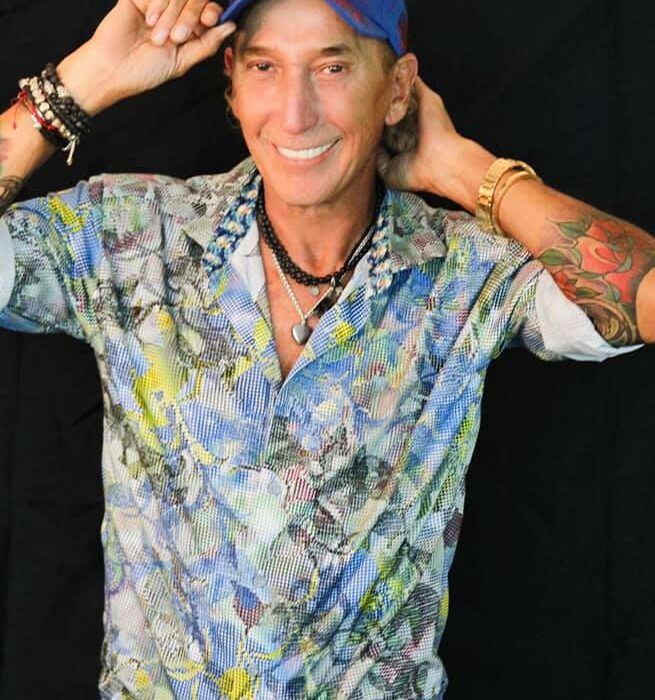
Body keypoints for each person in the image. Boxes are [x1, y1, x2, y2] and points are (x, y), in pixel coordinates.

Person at [0, 0, 653, 697]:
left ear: (398, 89)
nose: (294, 114)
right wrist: (82, 82)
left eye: (332, 68)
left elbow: (642, 301)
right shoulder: (129, 236)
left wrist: (466, 172)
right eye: (265, 68)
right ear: (231, 81)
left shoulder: (460, 271)